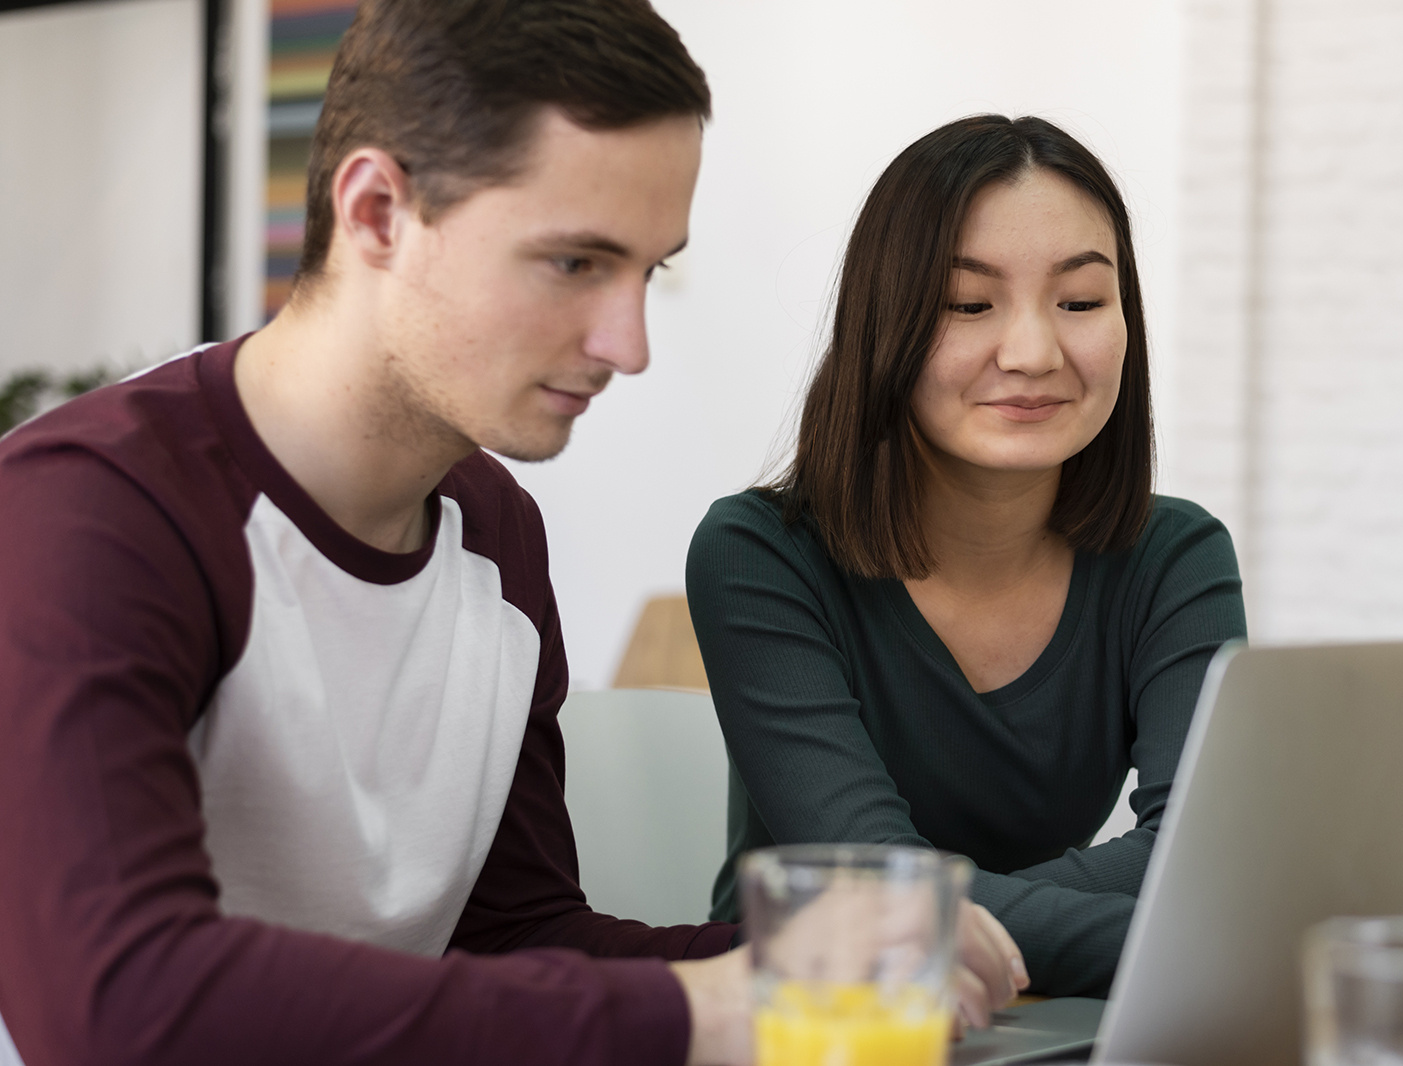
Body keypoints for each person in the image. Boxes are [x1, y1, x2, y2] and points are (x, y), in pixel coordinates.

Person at [0, 5, 1025, 1065]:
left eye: (648, 271)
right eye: (575, 264)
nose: (626, 344)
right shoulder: (90, 513)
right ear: (377, 212)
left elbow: (510, 940)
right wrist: (711, 1010)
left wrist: (817, 964)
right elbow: (112, 1003)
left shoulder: (492, 532)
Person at [687, 114, 1249, 999]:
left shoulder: (1174, 555)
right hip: (824, 1018)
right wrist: (1264, 944)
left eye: (1080, 302)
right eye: (968, 304)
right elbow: (873, 889)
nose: (1032, 353)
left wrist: (947, 922)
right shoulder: (760, 555)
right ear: (887, 325)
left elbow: (1204, 850)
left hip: (1060, 1018)